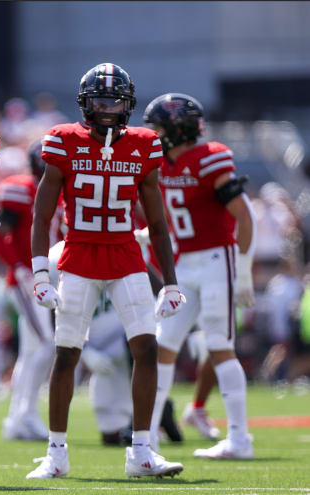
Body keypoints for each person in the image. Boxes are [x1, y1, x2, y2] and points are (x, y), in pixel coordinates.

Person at [26, 62, 185, 480]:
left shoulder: (145, 145)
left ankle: (141, 451)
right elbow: (42, 216)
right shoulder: (63, 142)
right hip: (79, 256)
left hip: (126, 255)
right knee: (67, 355)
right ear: (85, 103)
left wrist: (170, 282)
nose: (108, 109)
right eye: (100, 100)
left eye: (115, 101)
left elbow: (158, 221)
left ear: (128, 104)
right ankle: (56, 453)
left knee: (146, 348)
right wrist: (40, 272)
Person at [143, 93, 256, 459]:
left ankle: (240, 439)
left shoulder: (209, 158)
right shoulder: (162, 163)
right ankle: (150, 436)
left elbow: (244, 215)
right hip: (184, 262)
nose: (155, 134)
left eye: (159, 128)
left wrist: (242, 273)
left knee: (219, 345)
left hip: (214, 258)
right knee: (163, 346)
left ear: (178, 129)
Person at [0, 142, 55, 441]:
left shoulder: (62, 192)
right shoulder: (22, 188)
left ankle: (18, 419)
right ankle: (25, 415)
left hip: (51, 279)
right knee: (46, 346)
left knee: (30, 353)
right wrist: (18, 266)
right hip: (28, 281)